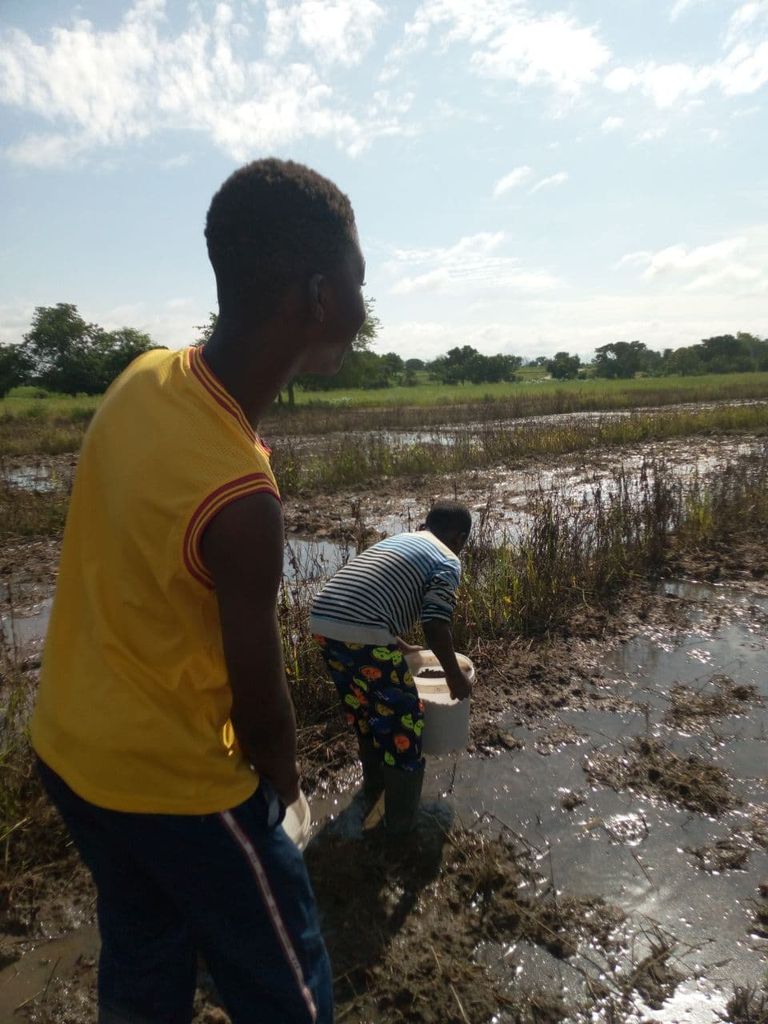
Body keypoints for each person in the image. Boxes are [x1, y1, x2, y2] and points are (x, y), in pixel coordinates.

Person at [30, 158, 367, 1024]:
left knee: (146, 955)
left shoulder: (143, 377)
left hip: (70, 752)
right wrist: (286, 795)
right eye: (362, 281)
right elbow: (261, 708)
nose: (366, 304)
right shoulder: (242, 498)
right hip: (172, 787)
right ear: (321, 297)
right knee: (288, 985)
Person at [310, 502, 473, 836]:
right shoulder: (447, 558)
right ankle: (401, 826)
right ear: (459, 538)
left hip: (323, 622)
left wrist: (399, 645)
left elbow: (369, 594)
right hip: (361, 632)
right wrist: (454, 676)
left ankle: (374, 791)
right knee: (405, 722)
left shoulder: (403, 540)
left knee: (366, 710)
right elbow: (435, 622)